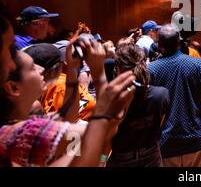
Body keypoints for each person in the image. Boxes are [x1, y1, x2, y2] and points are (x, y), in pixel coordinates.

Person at [0, 37, 137, 166]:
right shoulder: (23, 134)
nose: (41, 70)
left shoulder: (19, 123)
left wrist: (72, 70)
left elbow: (69, 119)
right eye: (32, 67)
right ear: (13, 87)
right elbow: (100, 134)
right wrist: (99, 74)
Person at [148, 24, 201, 167]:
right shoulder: (198, 64)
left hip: (165, 142)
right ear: (179, 42)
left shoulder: (151, 70)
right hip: (195, 139)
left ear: (159, 45)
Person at [107, 44, 169, 167]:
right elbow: (160, 125)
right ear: (145, 64)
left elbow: (107, 140)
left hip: (121, 158)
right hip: (151, 154)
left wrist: (103, 159)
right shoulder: (162, 94)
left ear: (118, 69)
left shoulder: (112, 99)